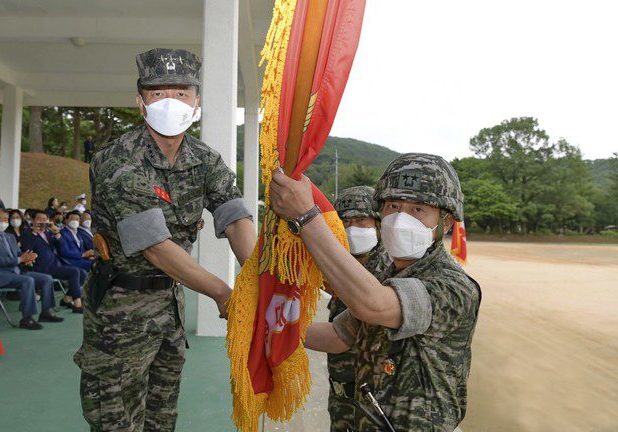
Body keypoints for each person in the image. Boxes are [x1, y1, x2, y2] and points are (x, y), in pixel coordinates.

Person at [74, 47, 257, 432]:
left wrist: (256, 278)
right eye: (158, 94)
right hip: (119, 316)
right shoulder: (119, 160)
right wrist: (226, 294)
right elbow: (155, 247)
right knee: (116, 422)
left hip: (168, 310)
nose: (170, 102)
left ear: (196, 102)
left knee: (161, 418)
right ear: (140, 103)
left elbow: (234, 213)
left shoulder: (204, 159)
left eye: (180, 93)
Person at [269, 153, 481, 432]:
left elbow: (375, 305)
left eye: (419, 209)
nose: (400, 218)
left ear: (446, 222)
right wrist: (271, 329)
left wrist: (307, 217)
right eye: (393, 206)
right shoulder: (387, 276)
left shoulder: (454, 287)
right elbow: (339, 336)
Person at [327, 186, 383, 432]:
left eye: (361, 220)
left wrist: (282, 331)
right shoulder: (340, 266)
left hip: (372, 406)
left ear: (377, 224)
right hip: (341, 398)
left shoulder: (385, 272)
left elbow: (341, 338)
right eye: (345, 221)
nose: (352, 227)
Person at [0, 208, 64, 329]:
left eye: (5, 219)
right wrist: (20, 260)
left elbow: (19, 253)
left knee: (46, 278)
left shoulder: (10, 237)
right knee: (27, 280)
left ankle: (46, 312)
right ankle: (27, 318)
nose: (2, 222)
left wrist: (28, 258)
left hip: (16, 272)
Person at [21, 210, 87, 313]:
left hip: (55, 264)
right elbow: (27, 248)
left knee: (82, 273)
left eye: (44, 219)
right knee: (74, 272)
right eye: (39, 219)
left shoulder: (48, 232)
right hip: (41, 267)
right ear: (33, 220)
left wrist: (57, 234)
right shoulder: (27, 234)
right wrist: (34, 232)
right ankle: (77, 304)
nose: (42, 221)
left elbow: (61, 247)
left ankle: (67, 298)